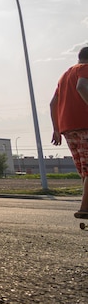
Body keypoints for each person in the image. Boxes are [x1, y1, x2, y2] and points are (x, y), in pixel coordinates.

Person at [50, 46, 88, 219]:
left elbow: (53, 103)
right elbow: (82, 87)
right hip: (84, 125)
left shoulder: (64, 75)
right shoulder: (84, 69)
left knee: (84, 171)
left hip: (68, 128)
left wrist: (56, 129)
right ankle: (84, 208)